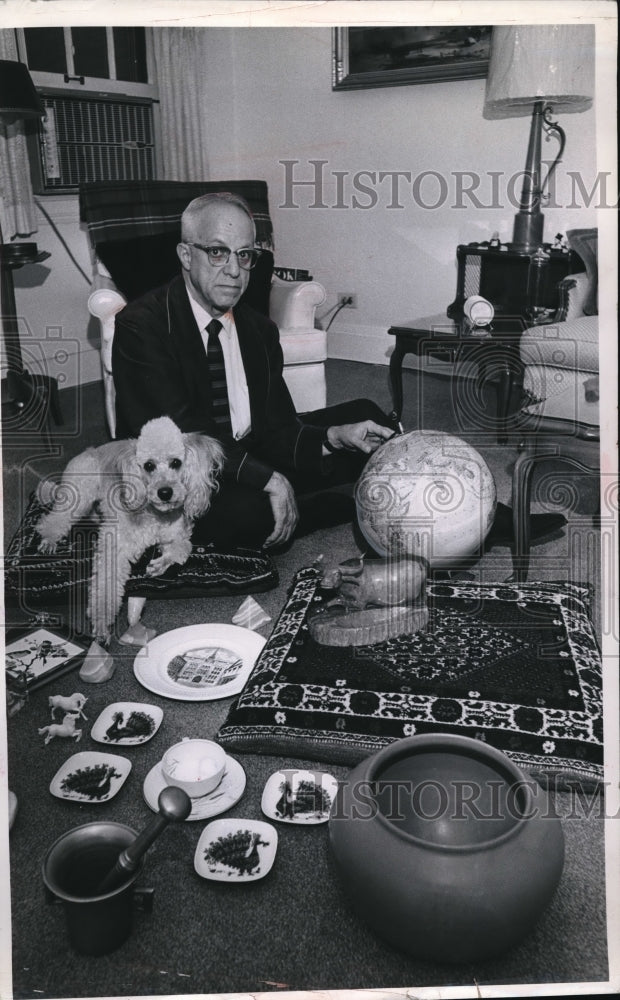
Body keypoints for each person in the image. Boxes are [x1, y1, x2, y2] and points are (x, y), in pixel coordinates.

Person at [112, 192, 565, 552]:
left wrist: (332, 436)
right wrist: (268, 478)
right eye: (217, 252)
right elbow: (185, 435)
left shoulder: (256, 329)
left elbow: (277, 425)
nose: (234, 270)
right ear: (185, 254)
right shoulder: (141, 326)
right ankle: (339, 506)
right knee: (250, 516)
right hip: (182, 475)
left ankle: (486, 517)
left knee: (367, 419)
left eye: (245, 255)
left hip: (251, 446)